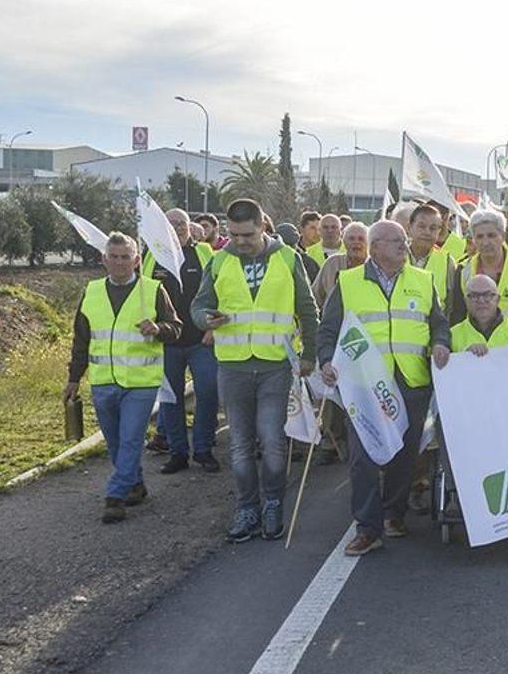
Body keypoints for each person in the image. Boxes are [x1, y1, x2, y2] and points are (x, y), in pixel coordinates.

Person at [318, 220, 450, 556]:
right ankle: (368, 527)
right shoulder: (348, 282)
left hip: (411, 380)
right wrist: (325, 361)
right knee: (362, 457)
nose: (404, 246)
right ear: (375, 247)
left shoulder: (423, 280)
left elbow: (439, 323)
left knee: (404, 456)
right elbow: (328, 329)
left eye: (404, 240)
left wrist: (440, 343)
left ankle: (394, 513)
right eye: (396, 241)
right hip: (364, 386)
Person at [191, 198, 319, 542]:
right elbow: (199, 304)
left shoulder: (288, 258)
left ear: (262, 226)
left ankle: (273, 503)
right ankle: (247, 507)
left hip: (275, 364)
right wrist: (205, 318)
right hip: (232, 365)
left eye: (246, 234)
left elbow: (308, 310)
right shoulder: (219, 261)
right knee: (240, 444)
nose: (239, 241)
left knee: (274, 441)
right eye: (233, 234)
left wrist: (310, 353)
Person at [65, 232, 182, 523]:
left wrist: (158, 328)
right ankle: (136, 484)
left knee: (130, 439)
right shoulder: (91, 291)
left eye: (125, 257)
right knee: (116, 441)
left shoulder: (153, 290)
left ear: (137, 260)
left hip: (141, 382)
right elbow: (81, 340)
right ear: (104, 259)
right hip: (103, 381)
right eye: (113, 257)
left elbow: (176, 327)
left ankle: (115, 496)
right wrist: (73, 378)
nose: (119, 263)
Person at [143, 208, 220, 475]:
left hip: (201, 340)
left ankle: (203, 449)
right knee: (170, 399)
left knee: (209, 392)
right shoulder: (152, 257)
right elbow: (144, 297)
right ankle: (177, 453)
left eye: (181, 223)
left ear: (190, 227)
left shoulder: (205, 254)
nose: (176, 227)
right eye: (171, 223)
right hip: (166, 343)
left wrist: (213, 328)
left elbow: (219, 292)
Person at [447, 209, 508, 328]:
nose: (486, 242)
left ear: (503, 236)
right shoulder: (463, 270)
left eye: (491, 236)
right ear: (473, 240)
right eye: (480, 237)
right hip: (475, 344)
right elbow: (458, 316)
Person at [311, 221, 369, 311]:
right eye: (351, 239)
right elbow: (315, 297)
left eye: (361, 239)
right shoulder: (332, 264)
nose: (356, 243)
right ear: (344, 242)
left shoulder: (376, 266)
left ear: (368, 243)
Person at [406, 202, 453, 306]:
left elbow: (451, 304)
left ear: (439, 231)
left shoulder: (447, 261)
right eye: (421, 226)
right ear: (409, 227)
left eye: (433, 228)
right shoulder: (395, 256)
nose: (427, 232)